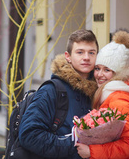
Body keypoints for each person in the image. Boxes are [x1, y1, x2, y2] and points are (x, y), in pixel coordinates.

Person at [18, 29, 99, 158]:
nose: (86, 57)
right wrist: (74, 144)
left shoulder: (98, 91)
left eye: (91, 52)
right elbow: (29, 135)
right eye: (80, 52)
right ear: (68, 56)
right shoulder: (52, 91)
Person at [75, 29, 129, 159]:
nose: (99, 74)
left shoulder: (120, 99)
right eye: (97, 68)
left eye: (107, 70)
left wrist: (91, 151)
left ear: (117, 73)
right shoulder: (108, 94)